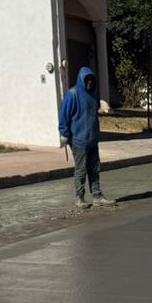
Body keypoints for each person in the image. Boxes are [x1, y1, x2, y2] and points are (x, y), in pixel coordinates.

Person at [58, 66, 109, 209]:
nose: (89, 82)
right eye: (87, 80)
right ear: (81, 80)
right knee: (81, 170)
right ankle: (79, 197)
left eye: (91, 80)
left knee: (95, 168)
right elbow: (64, 115)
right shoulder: (72, 94)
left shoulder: (92, 95)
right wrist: (64, 133)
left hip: (92, 139)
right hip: (79, 140)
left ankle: (97, 196)